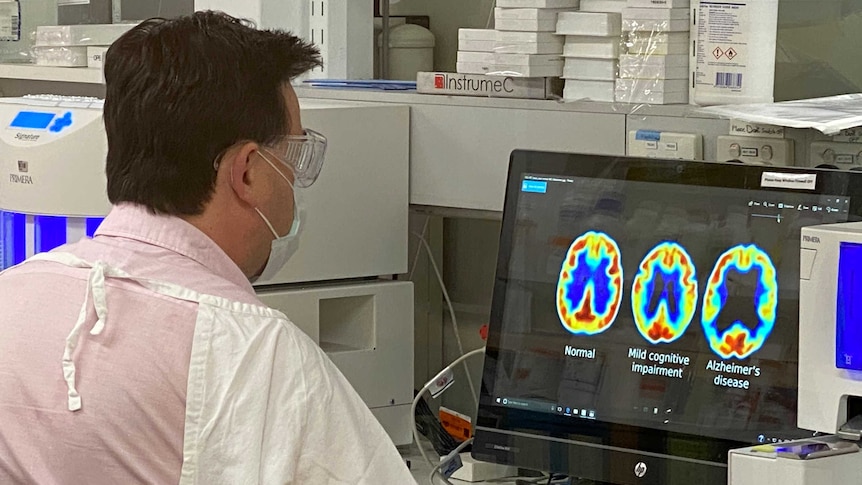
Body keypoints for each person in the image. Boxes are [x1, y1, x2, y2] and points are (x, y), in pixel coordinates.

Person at [0, 11, 416, 484]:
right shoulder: (255, 354)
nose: (295, 186)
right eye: (294, 157)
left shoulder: (9, 298)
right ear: (248, 173)